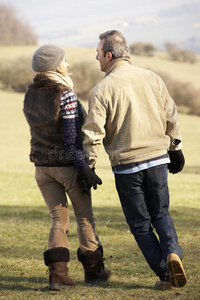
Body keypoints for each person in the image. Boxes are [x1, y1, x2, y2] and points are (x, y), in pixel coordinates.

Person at [81, 30, 187, 290]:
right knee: (161, 213)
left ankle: (165, 276)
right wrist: (175, 147)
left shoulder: (101, 89)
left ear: (108, 55)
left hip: (127, 166)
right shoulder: (152, 78)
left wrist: (89, 166)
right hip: (157, 159)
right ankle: (173, 252)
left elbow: (93, 132)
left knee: (140, 224)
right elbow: (170, 114)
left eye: (98, 54)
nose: (96, 59)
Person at [23, 45, 111, 290]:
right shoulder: (66, 94)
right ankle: (94, 271)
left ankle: (58, 275)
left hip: (42, 167)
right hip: (66, 166)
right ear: (55, 66)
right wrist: (84, 167)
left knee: (58, 220)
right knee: (84, 218)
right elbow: (71, 138)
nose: (68, 65)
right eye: (65, 61)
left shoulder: (30, 93)